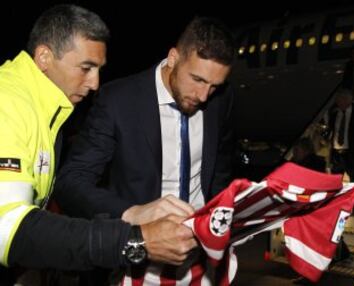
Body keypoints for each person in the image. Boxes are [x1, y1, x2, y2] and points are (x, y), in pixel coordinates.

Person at [0, 4, 197, 285]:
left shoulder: (45, 106)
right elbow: (6, 229)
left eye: (98, 70)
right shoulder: (7, 102)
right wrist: (136, 241)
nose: (95, 83)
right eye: (86, 68)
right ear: (44, 56)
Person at [54, 16, 236, 283]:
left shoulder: (222, 100)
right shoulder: (118, 100)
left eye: (214, 86)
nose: (203, 96)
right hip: (138, 262)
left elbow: (219, 175)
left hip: (201, 261)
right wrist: (132, 213)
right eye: (197, 79)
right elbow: (71, 182)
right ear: (173, 58)